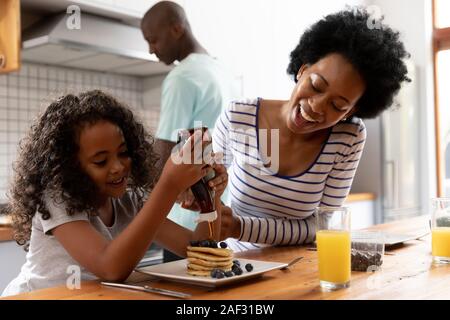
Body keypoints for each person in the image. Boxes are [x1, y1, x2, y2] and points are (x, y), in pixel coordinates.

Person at [214, 8, 410, 251]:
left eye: (338, 105)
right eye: (316, 85)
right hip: (238, 269)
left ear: (350, 112)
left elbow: (323, 225)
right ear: (302, 70)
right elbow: (205, 179)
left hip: (302, 272)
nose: (316, 106)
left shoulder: (348, 137)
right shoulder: (238, 118)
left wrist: (240, 227)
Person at [1, 90, 227, 296]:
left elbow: (201, 251)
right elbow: (110, 267)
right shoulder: (57, 199)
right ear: (70, 167)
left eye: (124, 153)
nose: (118, 167)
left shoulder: (130, 200)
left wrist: (211, 195)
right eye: (101, 161)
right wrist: (169, 184)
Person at [140, 1, 237, 260]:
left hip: (185, 218)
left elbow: (162, 152)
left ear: (176, 28)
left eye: (153, 40)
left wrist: (136, 201)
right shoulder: (225, 73)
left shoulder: (182, 76)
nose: (151, 50)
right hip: (221, 212)